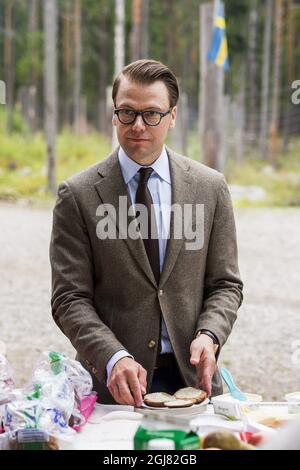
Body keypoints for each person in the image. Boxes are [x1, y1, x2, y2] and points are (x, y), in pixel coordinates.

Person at [50, 59, 243, 407]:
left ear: (172, 116)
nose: (138, 125)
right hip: (113, 388)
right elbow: (69, 298)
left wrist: (210, 334)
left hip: (192, 380)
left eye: (151, 114)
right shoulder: (76, 195)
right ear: (113, 115)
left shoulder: (210, 188)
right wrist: (112, 357)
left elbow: (225, 285)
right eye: (127, 112)